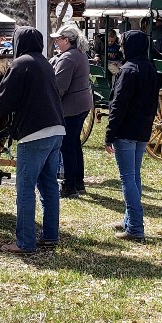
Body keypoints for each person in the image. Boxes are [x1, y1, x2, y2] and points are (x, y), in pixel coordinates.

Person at [0, 26, 65, 254]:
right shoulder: (45, 63)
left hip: (34, 134)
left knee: (25, 188)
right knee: (48, 185)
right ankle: (50, 236)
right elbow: (27, 94)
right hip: (57, 130)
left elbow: (6, 102)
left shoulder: (20, 64)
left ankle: (25, 243)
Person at [105, 30, 162, 242]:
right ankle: (129, 220)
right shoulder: (150, 68)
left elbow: (118, 105)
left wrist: (110, 133)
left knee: (128, 178)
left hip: (127, 131)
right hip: (142, 129)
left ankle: (136, 228)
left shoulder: (127, 71)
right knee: (134, 176)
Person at [50, 23, 95, 199]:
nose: (56, 43)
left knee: (68, 146)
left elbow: (59, 87)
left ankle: (70, 187)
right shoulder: (79, 54)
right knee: (74, 145)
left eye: (58, 39)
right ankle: (78, 182)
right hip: (81, 105)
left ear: (67, 40)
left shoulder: (68, 58)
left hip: (71, 108)